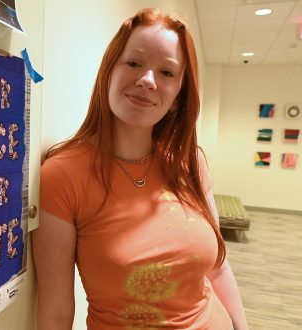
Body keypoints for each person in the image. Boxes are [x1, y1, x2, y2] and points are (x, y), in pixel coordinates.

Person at [33, 8, 249, 330]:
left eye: (166, 72)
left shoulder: (191, 163)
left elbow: (218, 268)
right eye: (134, 63)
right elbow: (56, 308)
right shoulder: (62, 175)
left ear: (178, 95)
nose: (147, 80)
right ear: (109, 72)